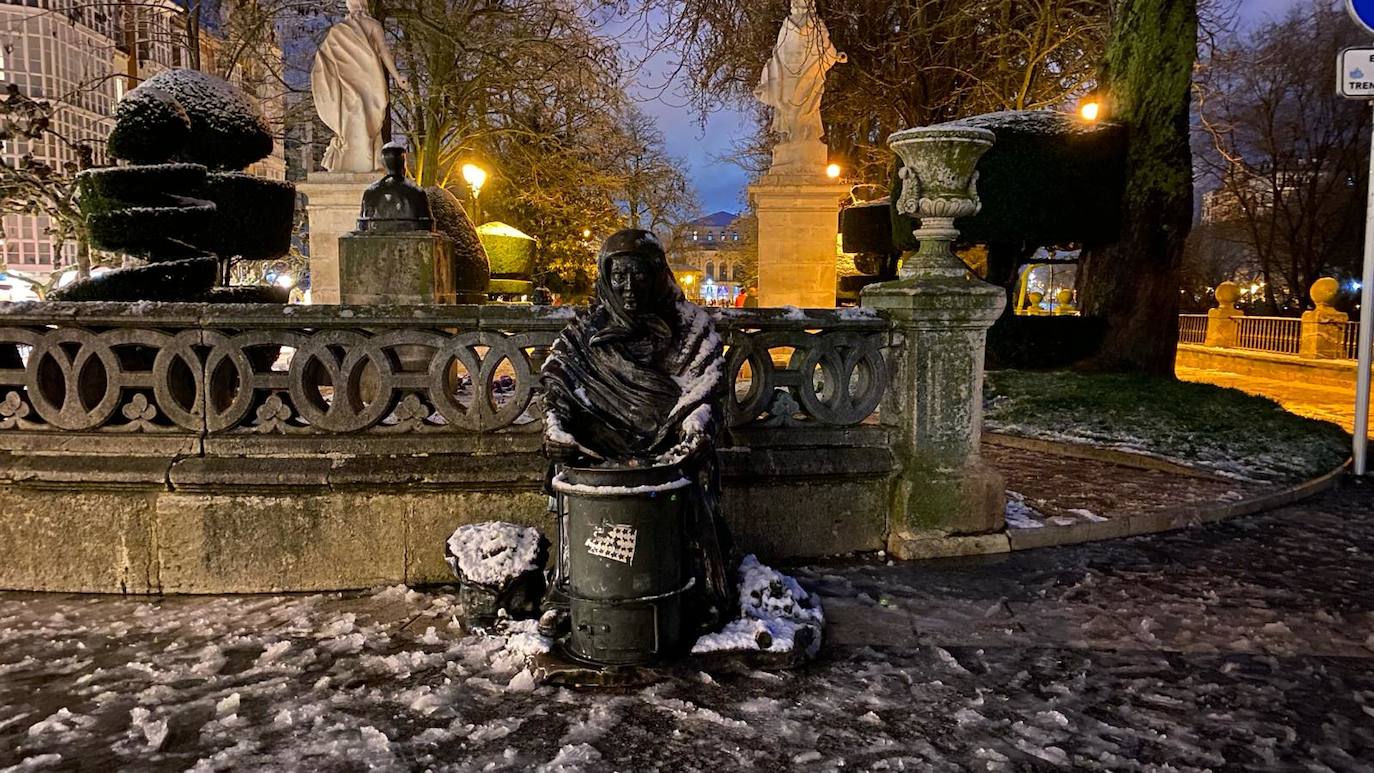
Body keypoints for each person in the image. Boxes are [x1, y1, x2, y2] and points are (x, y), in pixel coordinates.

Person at [540, 229, 736, 633]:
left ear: (658, 274)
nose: (629, 287)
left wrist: (695, 427)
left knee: (691, 482)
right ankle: (570, 590)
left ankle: (696, 589)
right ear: (605, 279)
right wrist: (556, 431)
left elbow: (705, 391)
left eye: (640, 275)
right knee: (566, 480)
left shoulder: (692, 328)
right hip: (601, 451)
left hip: (669, 448)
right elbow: (558, 390)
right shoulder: (584, 332)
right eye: (619, 277)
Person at [311, 0, 407, 173]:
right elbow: (325, 56)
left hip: (369, 79)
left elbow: (383, 50)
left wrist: (397, 76)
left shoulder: (370, 25)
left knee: (366, 117)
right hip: (347, 78)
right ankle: (355, 161)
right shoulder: (339, 31)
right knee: (351, 116)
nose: (352, 4)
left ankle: (362, 160)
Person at [754, 0, 847, 145]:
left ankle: (805, 135)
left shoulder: (816, 23)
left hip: (809, 70)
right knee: (787, 104)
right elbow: (779, 50)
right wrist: (773, 72)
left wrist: (836, 56)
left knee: (808, 105)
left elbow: (826, 46)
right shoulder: (787, 23)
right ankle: (790, 135)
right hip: (788, 74)